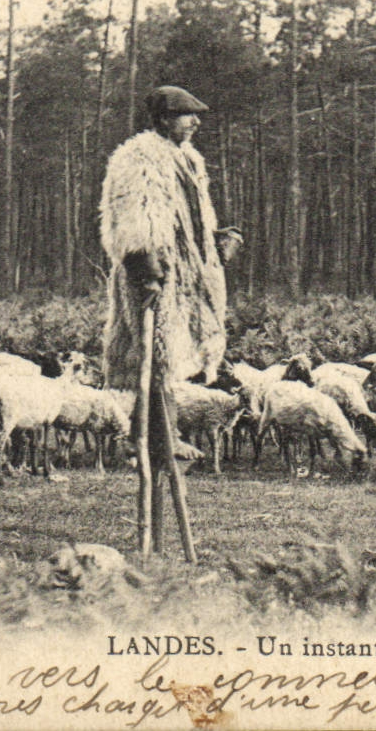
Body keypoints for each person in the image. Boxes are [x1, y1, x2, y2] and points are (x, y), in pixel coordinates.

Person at [99, 86, 238, 552]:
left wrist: (217, 242)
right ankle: (159, 440)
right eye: (185, 116)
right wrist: (147, 269)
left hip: (189, 278)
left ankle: (165, 439)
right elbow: (133, 221)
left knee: (178, 360)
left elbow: (195, 218)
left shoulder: (190, 160)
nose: (194, 123)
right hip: (155, 281)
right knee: (154, 362)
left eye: (196, 116)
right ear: (162, 119)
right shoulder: (138, 158)